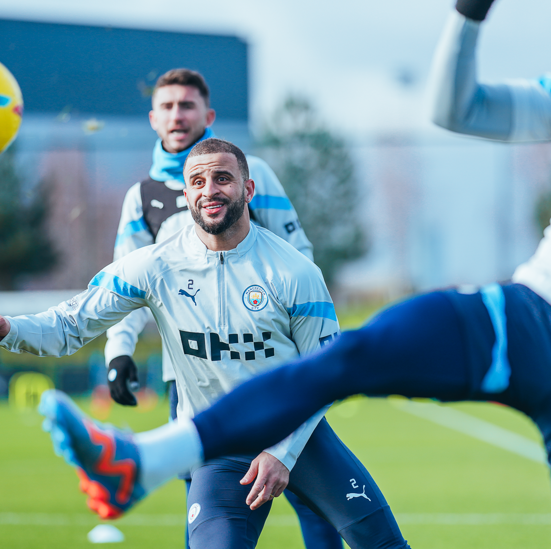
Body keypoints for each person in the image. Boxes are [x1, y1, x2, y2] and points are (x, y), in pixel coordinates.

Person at [31, 1, 551, 548]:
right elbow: (457, 107)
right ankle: (141, 459)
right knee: (353, 355)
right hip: (523, 323)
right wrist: (467, 16)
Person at [0, 138, 410, 549]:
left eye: (222, 178)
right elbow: (71, 324)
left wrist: (280, 455)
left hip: (299, 439)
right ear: (186, 192)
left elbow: (324, 377)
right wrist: (12, 329)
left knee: (385, 544)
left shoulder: (295, 273)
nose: (209, 190)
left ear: (248, 189)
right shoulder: (154, 266)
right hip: (219, 446)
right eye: (197, 181)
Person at [104, 69, 333, 549]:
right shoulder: (140, 198)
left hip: (274, 368)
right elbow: (123, 285)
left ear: (207, 115)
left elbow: (298, 256)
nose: (177, 115)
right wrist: (119, 351)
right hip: (192, 375)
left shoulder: (252, 174)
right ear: (153, 119)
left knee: (314, 495)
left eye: (186, 105)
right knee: (206, 498)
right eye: (166, 107)